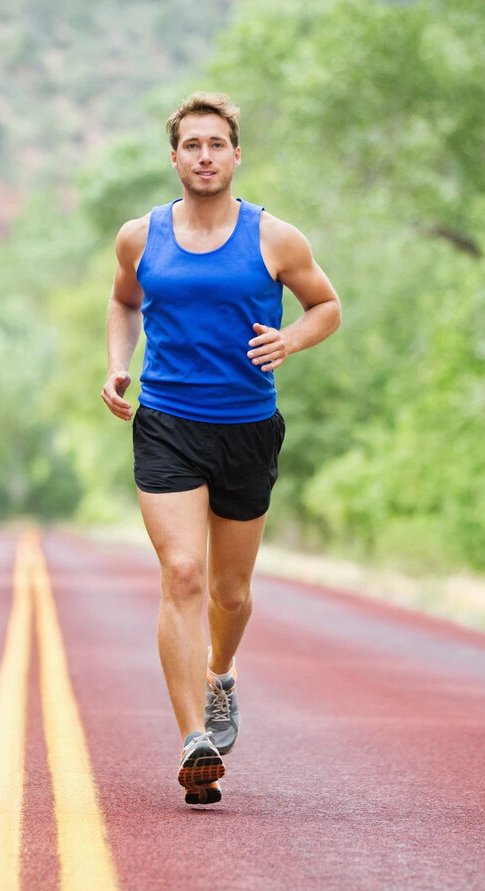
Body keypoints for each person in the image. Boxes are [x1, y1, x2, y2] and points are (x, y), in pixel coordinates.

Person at [101, 92, 341, 806]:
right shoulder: (140, 237)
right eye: (192, 145)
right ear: (173, 157)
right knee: (181, 573)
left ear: (236, 155)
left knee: (229, 593)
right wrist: (119, 361)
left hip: (246, 427)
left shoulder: (275, 239)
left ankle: (221, 678)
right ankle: (191, 739)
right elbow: (124, 301)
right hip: (168, 420)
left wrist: (290, 339)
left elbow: (325, 306)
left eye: (217, 144)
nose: (204, 156)